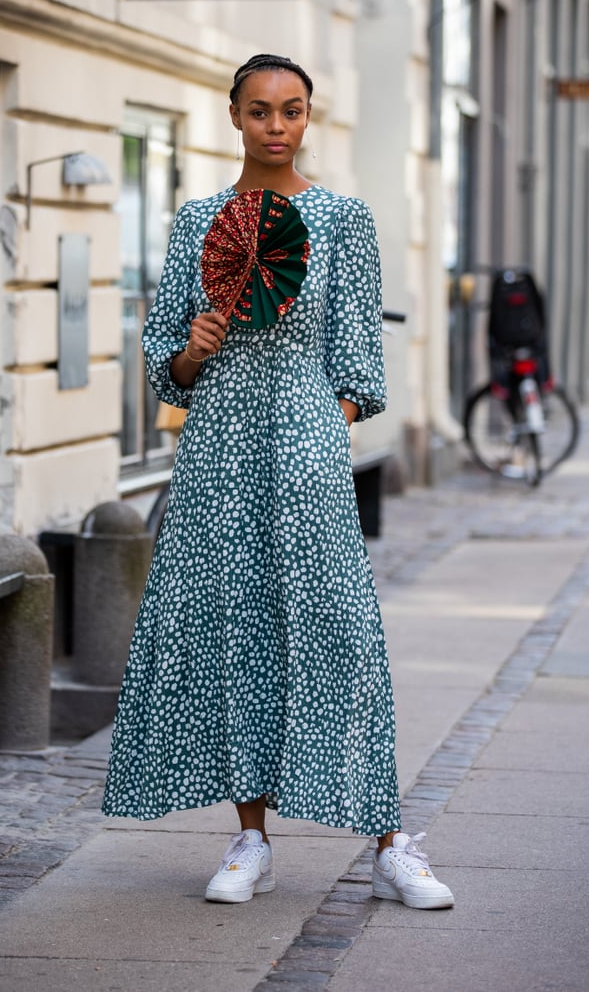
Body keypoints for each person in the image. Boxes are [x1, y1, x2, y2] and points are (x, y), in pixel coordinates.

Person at [102, 53, 453, 911]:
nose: (276, 126)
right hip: (217, 448)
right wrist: (198, 346)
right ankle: (251, 837)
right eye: (260, 111)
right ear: (233, 116)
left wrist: (319, 439)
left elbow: (361, 365)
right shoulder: (195, 223)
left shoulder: (341, 220)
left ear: (308, 118)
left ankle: (389, 841)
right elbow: (165, 364)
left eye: (292, 111)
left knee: (339, 633)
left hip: (305, 448)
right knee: (234, 633)